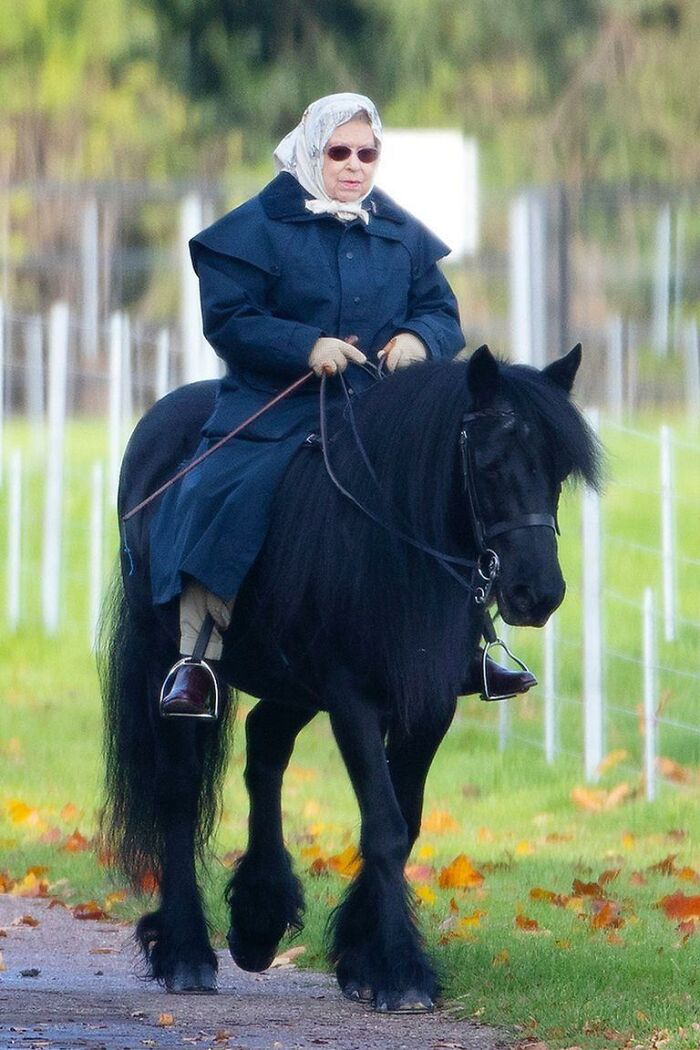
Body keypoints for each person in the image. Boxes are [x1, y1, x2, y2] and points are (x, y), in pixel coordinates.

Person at [151, 92, 535, 717]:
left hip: (376, 407)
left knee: (451, 488)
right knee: (226, 492)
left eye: (367, 153)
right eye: (339, 152)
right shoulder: (255, 227)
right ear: (311, 151)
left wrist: (418, 339)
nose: (354, 165)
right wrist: (304, 346)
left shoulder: (399, 231)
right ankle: (197, 657)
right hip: (276, 405)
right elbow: (228, 319)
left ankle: (472, 642)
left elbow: (441, 311)